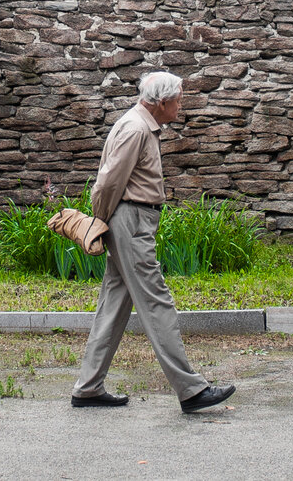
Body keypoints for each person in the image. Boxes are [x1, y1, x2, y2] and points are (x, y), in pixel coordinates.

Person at [70, 71, 236, 413]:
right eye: (177, 99)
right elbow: (106, 183)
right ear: (160, 102)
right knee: (157, 302)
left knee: (114, 306)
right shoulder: (135, 128)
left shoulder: (137, 124)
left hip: (131, 220)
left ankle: (88, 388)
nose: (181, 105)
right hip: (129, 222)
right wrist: (99, 221)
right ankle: (191, 390)